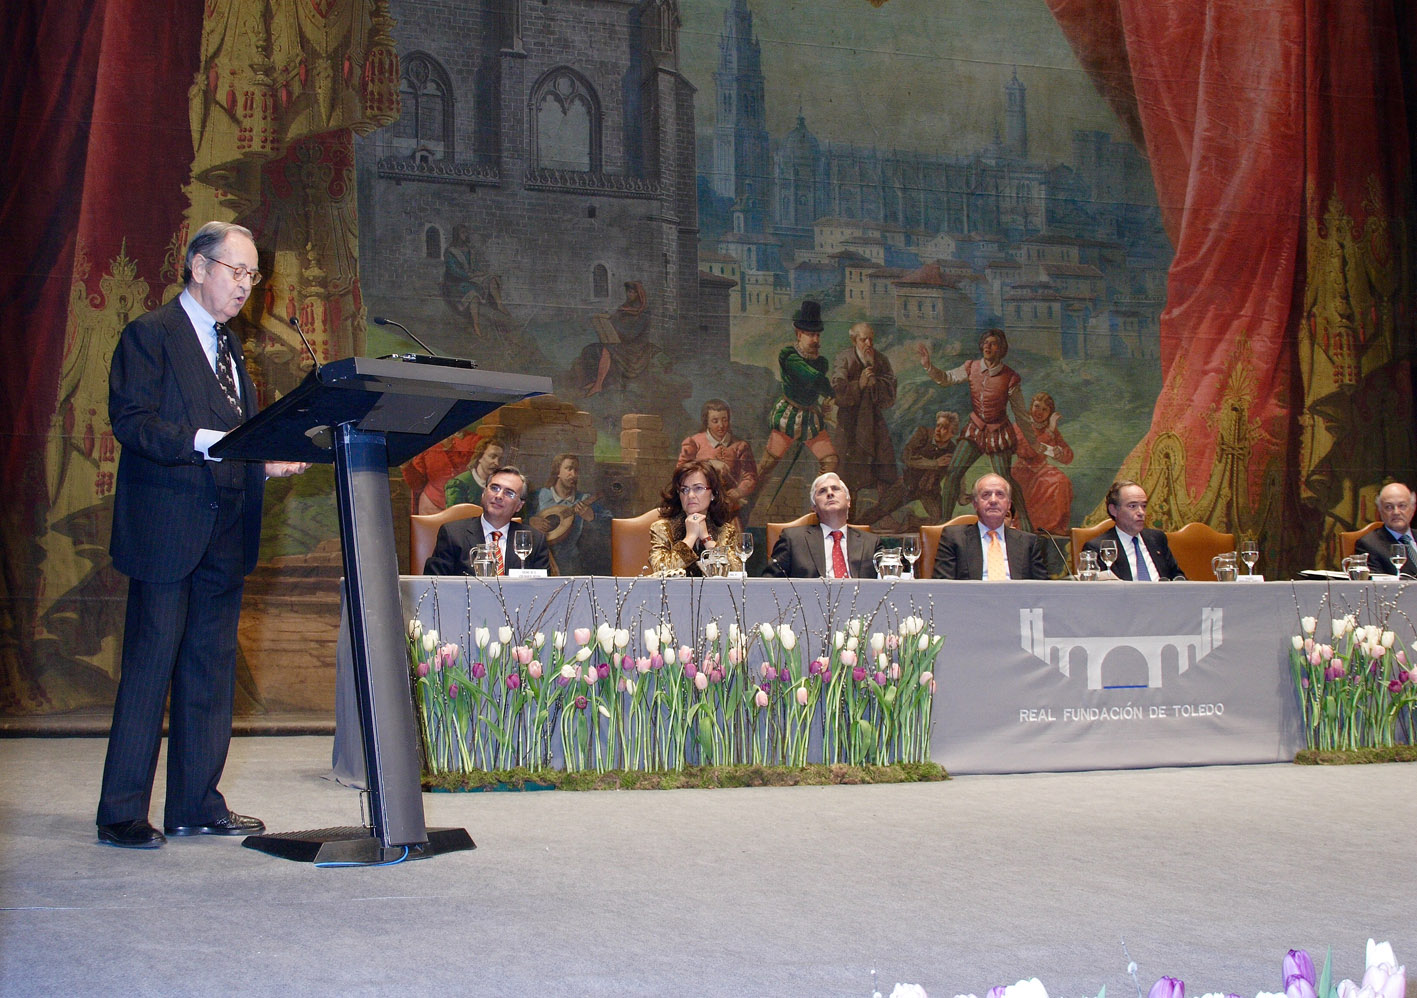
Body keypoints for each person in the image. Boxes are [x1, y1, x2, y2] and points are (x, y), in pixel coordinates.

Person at [97, 221, 308, 849]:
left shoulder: (232, 350)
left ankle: (195, 804)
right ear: (197, 266)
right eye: (235, 271)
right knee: (150, 667)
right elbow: (133, 424)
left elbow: (232, 439)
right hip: (167, 529)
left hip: (225, 530)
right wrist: (208, 444)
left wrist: (261, 458)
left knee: (210, 671)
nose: (245, 286)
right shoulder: (150, 336)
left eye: (252, 276)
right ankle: (122, 812)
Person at [917, 328, 1039, 531]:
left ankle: (1025, 524)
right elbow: (947, 378)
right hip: (975, 429)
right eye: (985, 343)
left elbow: (1020, 414)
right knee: (954, 472)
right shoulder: (971, 367)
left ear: (1001, 349)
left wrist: (1033, 442)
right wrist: (929, 366)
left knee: (1005, 478)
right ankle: (944, 524)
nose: (988, 347)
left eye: (993, 344)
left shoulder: (1010, 377)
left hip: (998, 432)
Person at [755, 300, 837, 495]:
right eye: (810, 334)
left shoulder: (821, 361)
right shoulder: (788, 356)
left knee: (831, 461)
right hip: (789, 415)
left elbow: (816, 381)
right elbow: (813, 378)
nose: (815, 339)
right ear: (799, 334)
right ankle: (748, 502)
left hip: (811, 418)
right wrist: (832, 393)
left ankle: (818, 508)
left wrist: (825, 404)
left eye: (817, 335)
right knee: (766, 466)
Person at [424, 466, 551, 575]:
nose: (499, 496)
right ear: (484, 493)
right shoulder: (453, 534)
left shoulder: (535, 540)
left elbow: (542, 590)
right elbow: (435, 586)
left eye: (509, 493)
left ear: (519, 506)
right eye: (494, 488)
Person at [830, 322, 899, 516]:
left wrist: (876, 383)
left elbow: (890, 392)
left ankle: (881, 517)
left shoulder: (881, 360)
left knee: (884, 466)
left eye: (871, 339)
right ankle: (846, 518)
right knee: (848, 473)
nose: (868, 343)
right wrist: (859, 385)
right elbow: (837, 390)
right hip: (850, 424)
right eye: (863, 339)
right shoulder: (844, 358)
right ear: (854, 340)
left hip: (873, 422)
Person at [764, 472, 880, 579]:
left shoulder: (871, 543)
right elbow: (769, 583)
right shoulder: (792, 539)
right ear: (814, 507)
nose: (830, 493)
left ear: (848, 501)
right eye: (822, 491)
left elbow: (892, 581)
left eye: (835, 489)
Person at [932, 473, 1048, 581]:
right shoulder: (953, 538)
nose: (993, 500)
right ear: (975, 504)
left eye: (1000, 494)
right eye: (986, 495)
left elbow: (1043, 589)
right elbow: (943, 587)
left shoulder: (1028, 542)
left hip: (1016, 601)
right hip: (971, 601)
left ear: (1008, 504)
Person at [861, 410, 959, 527]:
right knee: (881, 510)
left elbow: (957, 473)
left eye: (944, 428)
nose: (938, 430)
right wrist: (934, 463)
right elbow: (907, 457)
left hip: (929, 491)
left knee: (941, 520)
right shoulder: (923, 434)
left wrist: (962, 496)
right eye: (938, 425)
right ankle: (852, 529)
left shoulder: (953, 450)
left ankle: (912, 521)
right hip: (907, 485)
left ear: (952, 433)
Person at [648, 460, 743, 577]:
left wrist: (706, 538)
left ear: (713, 493)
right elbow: (660, 570)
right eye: (685, 489)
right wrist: (690, 538)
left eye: (698, 488)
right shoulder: (662, 528)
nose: (690, 495)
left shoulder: (726, 531)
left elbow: (736, 572)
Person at [1082, 480, 1185, 581]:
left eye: (1144, 506)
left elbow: (1177, 576)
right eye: (1132, 506)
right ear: (1113, 510)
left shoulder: (1157, 538)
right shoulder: (1098, 548)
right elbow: (1097, 592)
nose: (1141, 512)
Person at [1011, 392, 1074, 538]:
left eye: (1044, 409)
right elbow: (1028, 451)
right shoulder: (1022, 425)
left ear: (1049, 413)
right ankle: (1032, 529)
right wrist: (1049, 431)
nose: (1039, 412)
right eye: (1037, 407)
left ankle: (1052, 529)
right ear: (1031, 407)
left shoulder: (1050, 430)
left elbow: (1068, 456)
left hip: (1042, 468)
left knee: (1061, 481)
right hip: (1023, 470)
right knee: (1045, 483)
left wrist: (1060, 453)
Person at [676, 398, 759, 504]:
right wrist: (709, 463)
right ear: (707, 422)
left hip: (729, 505)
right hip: (697, 502)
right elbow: (681, 470)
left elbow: (750, 477)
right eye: (715, 421)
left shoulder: (740, 446)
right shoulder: (694, 442)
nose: (721, 425)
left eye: (725, 420)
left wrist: (738, 492)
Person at [581, 280, 656, 396]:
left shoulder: (643, 313)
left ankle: (598, 385)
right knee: (590, 349)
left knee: (607, 350)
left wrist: (617, 332)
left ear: (639, 294)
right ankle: (594, 380)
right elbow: (614, 321)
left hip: (634, 346)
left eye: (632, 292)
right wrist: (605, 322)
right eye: (628, 292)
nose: (629, 295)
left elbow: (633, 334)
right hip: (618, 340)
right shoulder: (624, 308)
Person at [527, 453, 596, 576]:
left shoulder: (584, 500)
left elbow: (605, 529)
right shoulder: (539, 496)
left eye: (576, 470)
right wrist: (531, 522)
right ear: (557, 471)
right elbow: (519, 521)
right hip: (539, 562)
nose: (573, 475)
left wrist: (592, 518)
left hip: (570, 566)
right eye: (569, 469)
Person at [1354, 482, 1417, 577]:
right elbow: (1377, 587)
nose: (1396, 512)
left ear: (1413, 508)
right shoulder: (1368, 545)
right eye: (1389, 507)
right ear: (1380, 511)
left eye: (1402, 506)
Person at [443, 436, 505, 508]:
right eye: (492, 456)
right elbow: (454, 516)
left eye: (500, 459)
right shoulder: (460, 484)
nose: (497, 463)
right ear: (480, 457)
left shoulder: (499, 486)